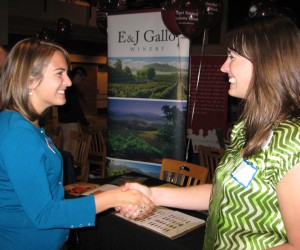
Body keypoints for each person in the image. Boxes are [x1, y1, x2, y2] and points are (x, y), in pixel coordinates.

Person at [120, 15, 300, 249]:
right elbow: (222, 194)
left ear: (267, 62)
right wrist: (153, 195)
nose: (224, 67)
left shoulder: (293, 140)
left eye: (233, 57)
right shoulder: (250, 129)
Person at [0, 38, 154, 250]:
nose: (69, 82)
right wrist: (113, 198)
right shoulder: (17, 133)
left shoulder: (26, 124)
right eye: (59, 73)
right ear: (29, 80)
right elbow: (44, 214)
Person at [57, 66, 90, 152]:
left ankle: (69, 164)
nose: (81, 82)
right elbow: (76, 107)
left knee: (66, 144)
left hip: (62, 120)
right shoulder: (71, 88)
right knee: (71, 147)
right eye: (82, 79)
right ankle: (70, 165)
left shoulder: (66, 87)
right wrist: (84, 122)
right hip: (70, 122)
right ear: (78, 76)